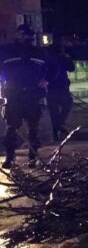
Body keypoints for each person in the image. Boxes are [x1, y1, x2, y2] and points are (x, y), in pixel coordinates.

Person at [0, 24, 51, 168]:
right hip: (14, 95)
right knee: (11, 128)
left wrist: (46, 80)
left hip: (32, 95)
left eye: (29, 35)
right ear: (18, 35)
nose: (27, 37)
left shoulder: (38, 52)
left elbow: (54, 68)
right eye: (24, 34)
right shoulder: (7, 51)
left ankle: (32, 158)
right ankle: (10, 158)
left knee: (33, 129)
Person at [46, 41, 75, 141]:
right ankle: (58, 125)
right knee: (66, 104)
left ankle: (56, 129)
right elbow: (72, 68)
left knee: (54, 111)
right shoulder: (62, 58)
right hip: (60, 86)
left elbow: (71, 68)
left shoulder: (48, 58)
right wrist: (67, 58)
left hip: (51, 87)